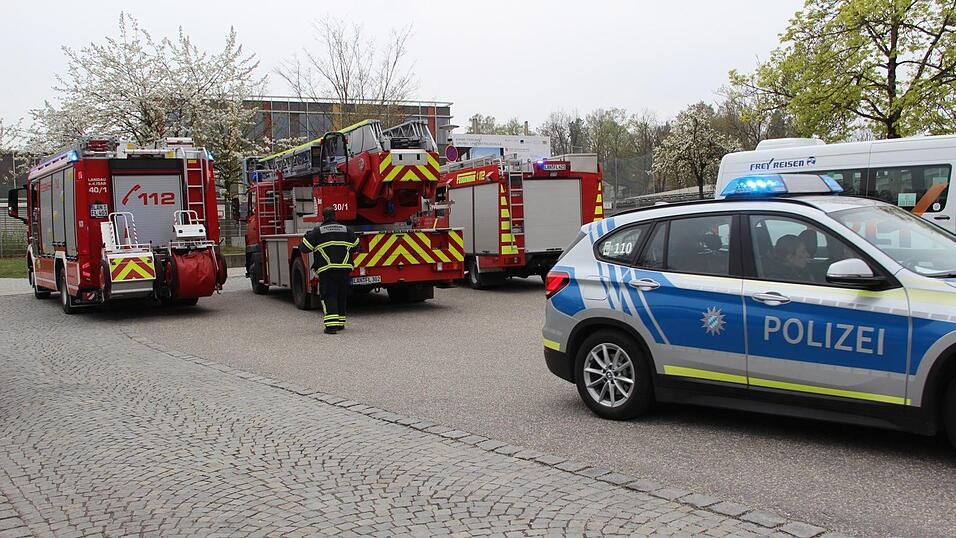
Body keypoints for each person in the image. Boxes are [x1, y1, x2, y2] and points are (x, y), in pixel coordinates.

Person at [300, 207, 359, 334]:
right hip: (344, 270)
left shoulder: (317, 231)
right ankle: (340, 323)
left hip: (327, 271)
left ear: (323, 217)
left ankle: (332, 326)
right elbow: (356, 247)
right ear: (335, 216)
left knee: (329, 295)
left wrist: (305, 237)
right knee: (341, 296)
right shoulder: (347, 230)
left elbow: (305, 248)